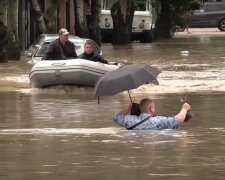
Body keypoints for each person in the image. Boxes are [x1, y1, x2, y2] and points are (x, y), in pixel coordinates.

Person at [113, 98, 191, 130]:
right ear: (151, 109)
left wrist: (128, 109)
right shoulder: (158, 121)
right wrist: (185, 108)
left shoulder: (129, 121)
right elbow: (179, 119)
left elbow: (116, 117)